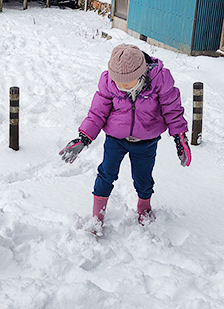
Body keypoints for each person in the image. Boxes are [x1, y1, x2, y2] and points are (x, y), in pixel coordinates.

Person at [59, 43, 191, 228]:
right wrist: (84, 138)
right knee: (106, 173)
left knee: (143, 178)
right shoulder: (108, 82)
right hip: (116, 139)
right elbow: (97, 113)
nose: (121, 87)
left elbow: (173, 110)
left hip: (146, 140)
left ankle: (144, 208)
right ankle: (97, 215)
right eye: (117, 82)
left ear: (141, 74)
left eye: (126, 83)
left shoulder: (160, 79)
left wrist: (180, 138)